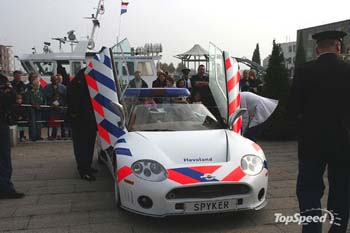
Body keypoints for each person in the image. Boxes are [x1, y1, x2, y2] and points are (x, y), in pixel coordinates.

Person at [288, 30, 350, 233]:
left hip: (312, 142)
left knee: (309, 189)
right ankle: (338, 229)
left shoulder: (304, 71)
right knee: (342, 188)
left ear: (317, 49)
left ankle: (312, 229)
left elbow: (293, 108)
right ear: (338, 46)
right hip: (343, 141)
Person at [67, 68, 97, 181]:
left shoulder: (81, 82)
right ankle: (84, 170)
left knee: (89, 144)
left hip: (88, 119)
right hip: (81, 120)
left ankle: (87, 166)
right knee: (82, 146)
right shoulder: (78, 84)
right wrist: (75, 115)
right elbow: (74, 103)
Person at [0, 73, 25, 199]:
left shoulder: (3, 79)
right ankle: (5, 187)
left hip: (2, 120)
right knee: (4, 156)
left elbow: (13, 96)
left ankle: (5, 186)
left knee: (4, 157)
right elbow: (7, 98)